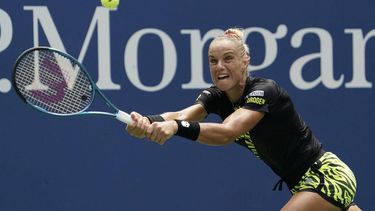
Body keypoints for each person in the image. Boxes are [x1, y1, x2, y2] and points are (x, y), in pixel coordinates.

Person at [126, 28, 361, 211]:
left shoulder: (265, 90)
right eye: (213, 60)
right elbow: (181, 115)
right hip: (301, 185)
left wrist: (175, 128)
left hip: (328, 175)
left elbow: (228, 132)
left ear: (245, 61)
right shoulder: (217, 96)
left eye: (228, 58)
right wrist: (147, 121)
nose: (219, 67)